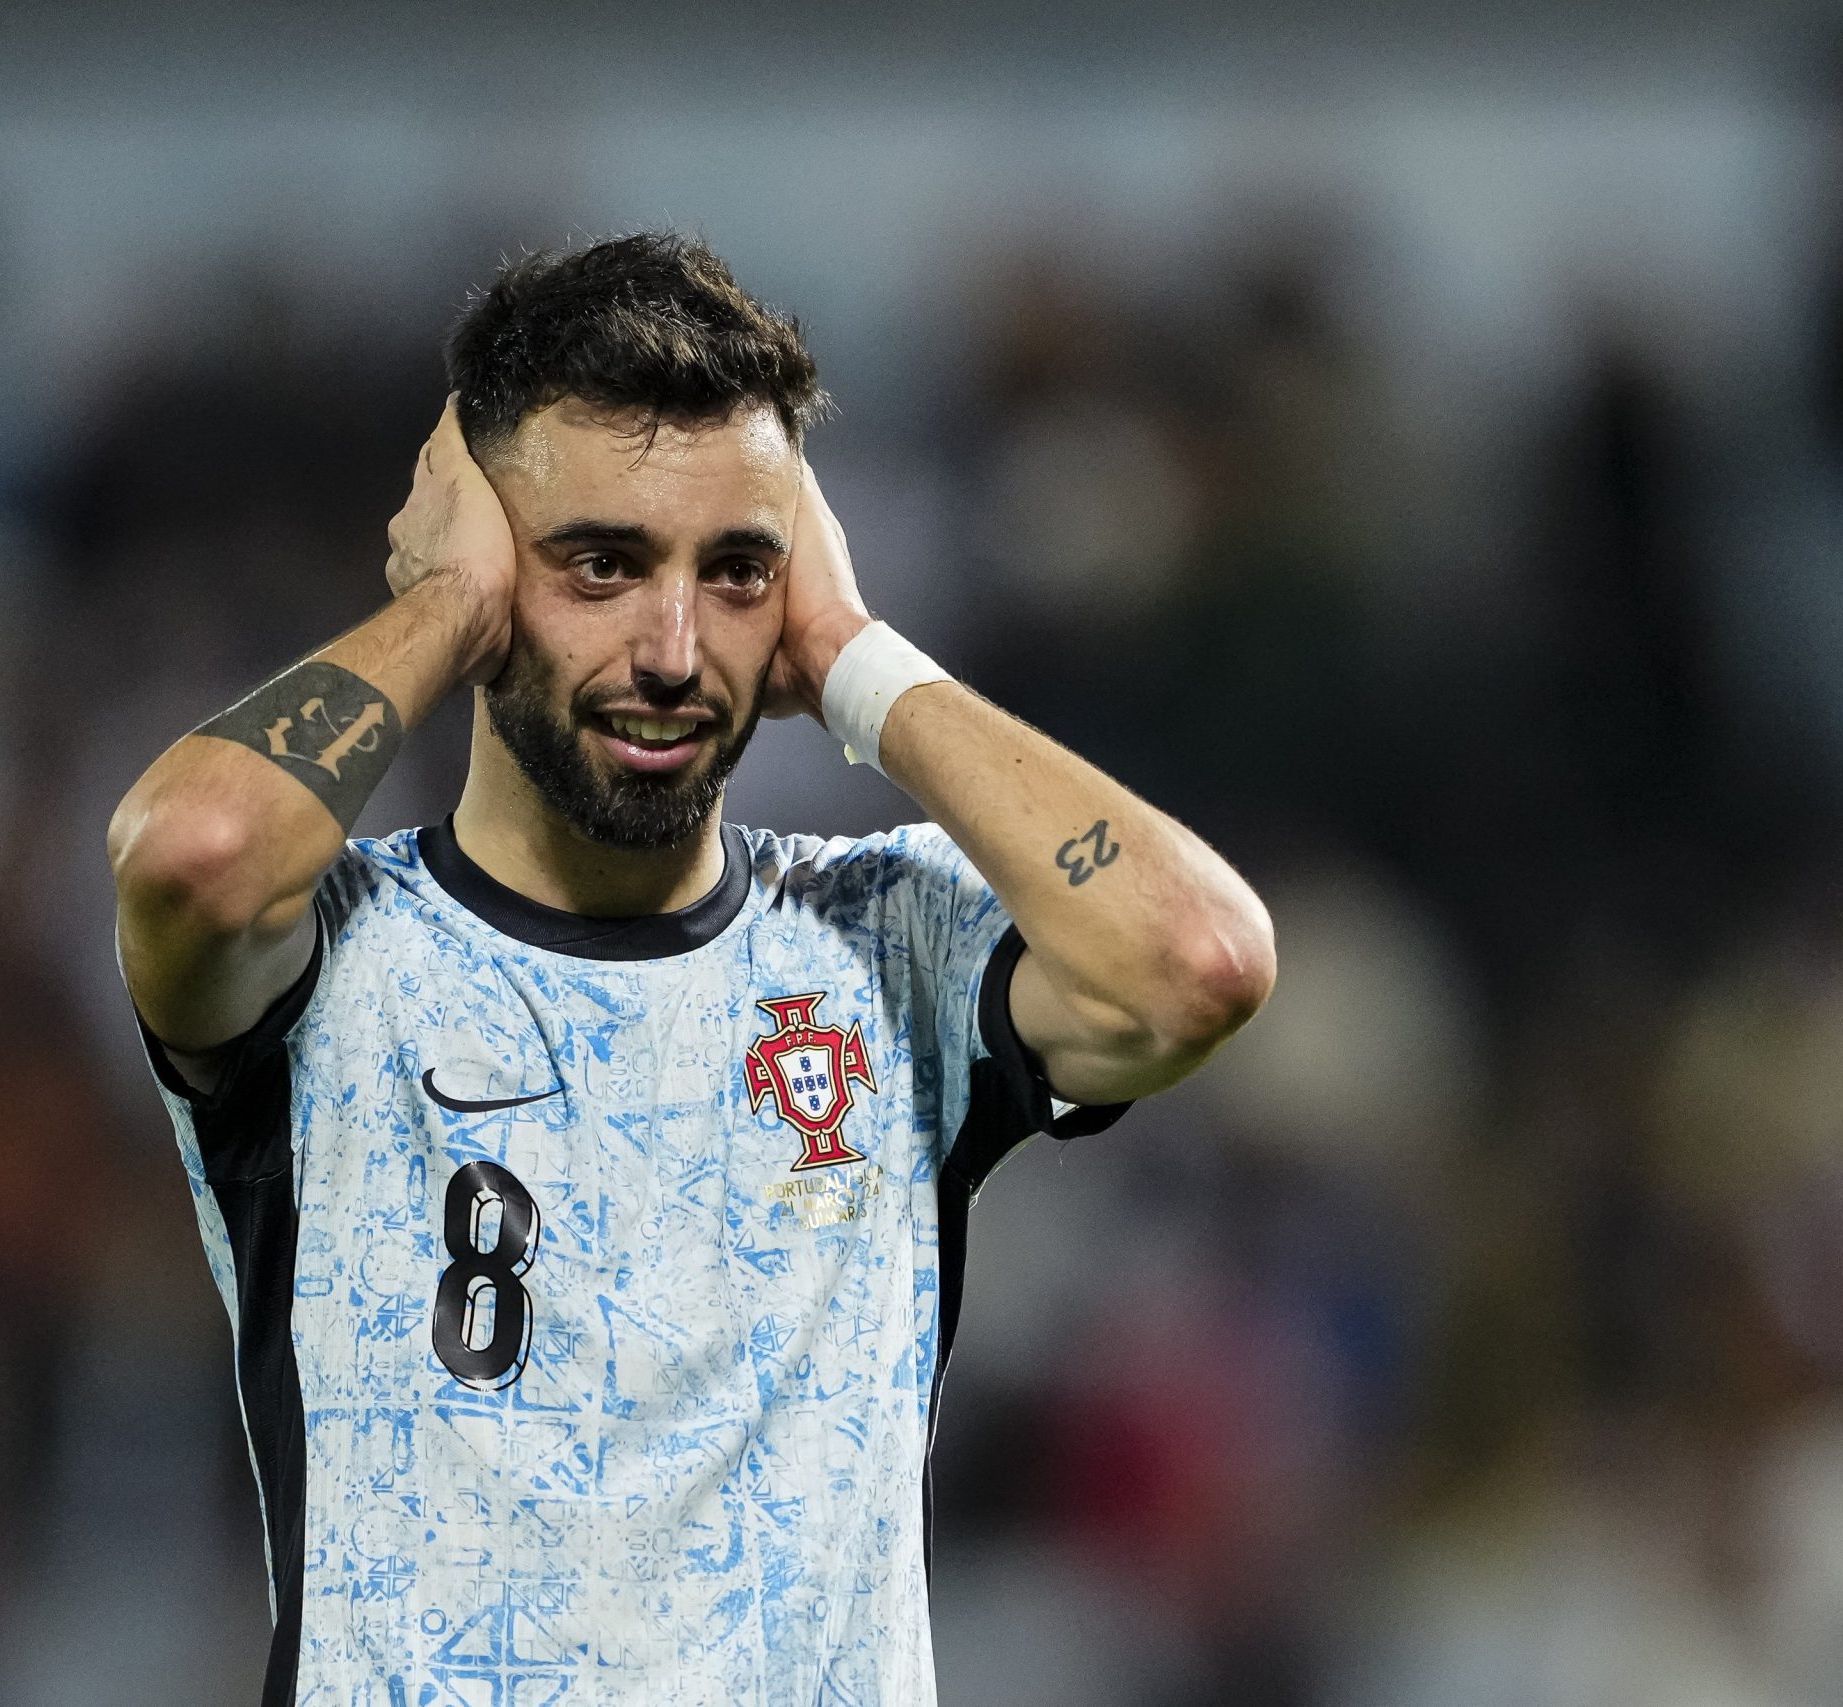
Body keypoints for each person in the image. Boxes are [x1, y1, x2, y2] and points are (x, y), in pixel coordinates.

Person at [106, 233, 1276, 1706]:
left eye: (735, 573)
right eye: (597, 563)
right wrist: (448, 614)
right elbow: (190, 852)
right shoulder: (333, 954)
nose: (672, 646)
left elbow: (1198, 961)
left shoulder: (882, 943)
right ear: (485, 566)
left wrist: (853, 652)